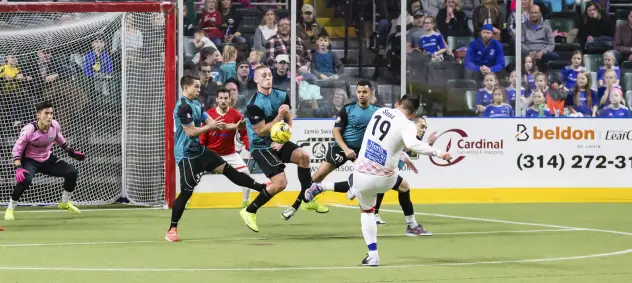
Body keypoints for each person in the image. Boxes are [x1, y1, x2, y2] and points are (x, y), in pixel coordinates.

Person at [307, 95, 451, 266]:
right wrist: (439, 152)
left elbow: (380, 138)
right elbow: (411, 143)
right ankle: (407, 224)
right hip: (386, 179)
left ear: (397, 104)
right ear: (413, 114)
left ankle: (373, 254)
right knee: (400, 185)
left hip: (363, 174)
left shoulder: (380, 112)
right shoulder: (408, 124)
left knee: (367, 211)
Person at [166, 75, 268, 242]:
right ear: (186, 88)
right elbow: (191, 132)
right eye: (196, 87)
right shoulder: (183, 107)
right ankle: (172, 229)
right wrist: (209, 127)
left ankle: (262, 188)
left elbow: (215, 123)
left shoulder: (196, 104)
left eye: (199, 87)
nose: (199, 90)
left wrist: (235, 126)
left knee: (227, 169)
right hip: (186, 155)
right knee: (186, 192)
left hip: (199, 150)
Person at [239, 65, 313, 232]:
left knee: (304, 157)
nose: (268, 78)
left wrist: (283, 140)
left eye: (270, 75)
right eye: (263, 75)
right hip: (260, 146)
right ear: (256, 79)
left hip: (277, 141)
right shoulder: (253, 104)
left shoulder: (281, 95)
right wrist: (279, 116)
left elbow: (288, 119)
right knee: (280, 183)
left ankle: (308, 198)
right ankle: (249, 211)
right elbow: (261, 130)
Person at [6, 101, 85, 221]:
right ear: (38, 115)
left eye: (51, 113)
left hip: (47, 159)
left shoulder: (55, 125)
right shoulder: (29, 130)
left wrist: (71, 152)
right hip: (30, 160)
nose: (49, 116)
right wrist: (18, 167)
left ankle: (64, 202)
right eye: (46, 113)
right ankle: (10, 208)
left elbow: (58, 137)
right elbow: (17, 150)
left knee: (72, 172)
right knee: (26, 179)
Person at [199, 88, 252, 208]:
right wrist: (201, 151)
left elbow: (244, 133)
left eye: (226, 98)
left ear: (230, 99)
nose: (223, 101)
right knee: (192, 174)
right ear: (217, 99)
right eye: (221, 98)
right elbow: (203, 135)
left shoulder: (236, 115)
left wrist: (249, 147)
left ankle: (246, 201)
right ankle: (186, 200)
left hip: (230, 154)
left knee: (246, 173)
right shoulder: (209, 115)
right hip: (211, 153)